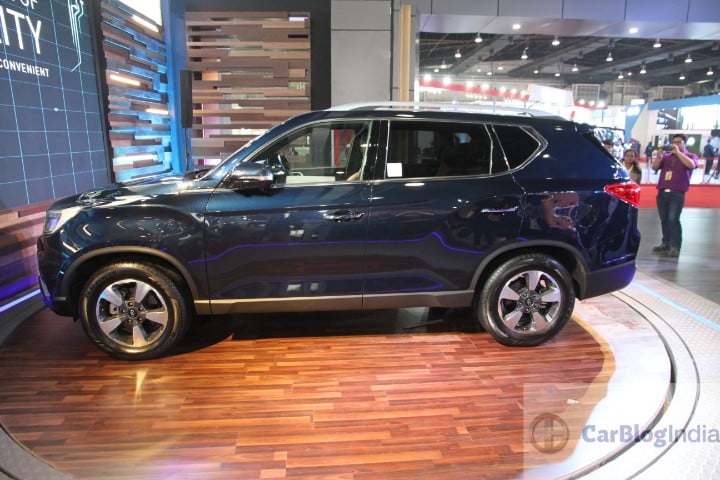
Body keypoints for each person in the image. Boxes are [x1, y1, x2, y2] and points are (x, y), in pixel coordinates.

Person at [651, 133, 698, 258]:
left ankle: (675, 246)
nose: (676, 144)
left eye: (679, 142)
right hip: (662, 192)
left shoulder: (690, 156)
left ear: (684, 144)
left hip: (677, 193)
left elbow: (692, 165)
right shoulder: (667, 157)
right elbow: (655, 167)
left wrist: (678, 153)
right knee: (664, 219)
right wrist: (659, 156)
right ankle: (665, 243)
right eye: (674, 142)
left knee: (673, 219)